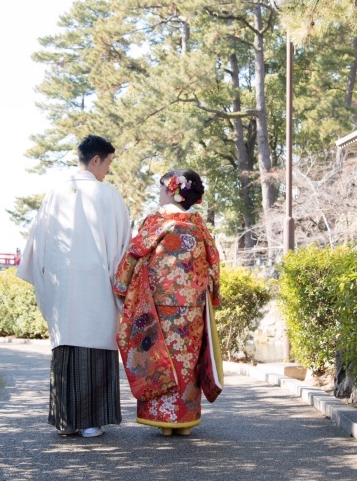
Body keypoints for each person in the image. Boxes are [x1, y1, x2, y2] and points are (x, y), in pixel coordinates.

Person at [17, 134, 131, 438]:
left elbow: (36, 245)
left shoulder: (54, 195)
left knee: (66, 348)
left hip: (62, 285)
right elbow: (124, 250)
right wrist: (123, 287)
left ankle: (67, 422)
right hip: (98, 284)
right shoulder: (109, 196)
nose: (108, 170)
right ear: (96, 159)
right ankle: (92, 422)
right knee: (95, 349)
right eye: (108, 163)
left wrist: (48, 280)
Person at [113, 169, 223, 436]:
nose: (159, 191)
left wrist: (121, 285)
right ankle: (184, 420)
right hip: (193, 306)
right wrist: (211, 293)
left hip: (159, 303)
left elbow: (134, 254)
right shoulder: (199, 226)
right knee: (188, 359)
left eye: (162, 187)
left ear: (173, 191)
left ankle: (164, 420)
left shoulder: (156, 222)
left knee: (160, 355)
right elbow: (214, 262)